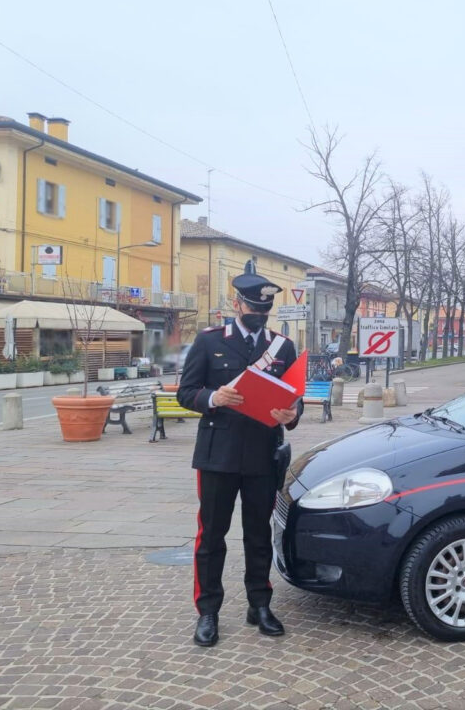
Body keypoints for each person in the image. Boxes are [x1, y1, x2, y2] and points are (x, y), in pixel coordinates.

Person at [178, 266, 303, 647]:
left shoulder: (282, 346)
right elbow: (186, 392)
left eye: (264, 309)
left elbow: (294, 400)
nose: (258, 313)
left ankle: (259, 604)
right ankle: (208, 612)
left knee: (259, 534)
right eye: (253, 307)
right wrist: (214, 398)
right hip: (218, 454)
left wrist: (292, 415)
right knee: (212, 535)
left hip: (263, 455)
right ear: (237, 303)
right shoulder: (208, 340)